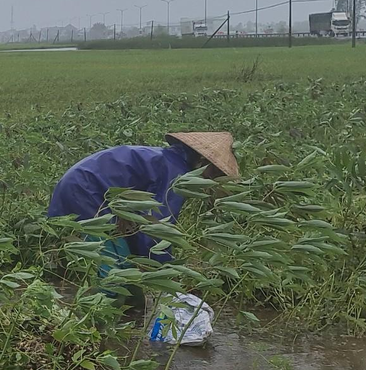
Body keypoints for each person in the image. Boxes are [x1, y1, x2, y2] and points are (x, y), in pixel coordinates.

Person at [46, 132, 240, 316]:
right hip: (86, 193)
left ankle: (131, 324)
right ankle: (93, 329)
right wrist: (165, 272)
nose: (211, 180)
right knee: (115, 274)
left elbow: (146, 223)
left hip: (85, 187)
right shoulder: (178, 175)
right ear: (203, 163)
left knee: (133, 290)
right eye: (214, 174)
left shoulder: (169, 161)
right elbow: (157, 230)